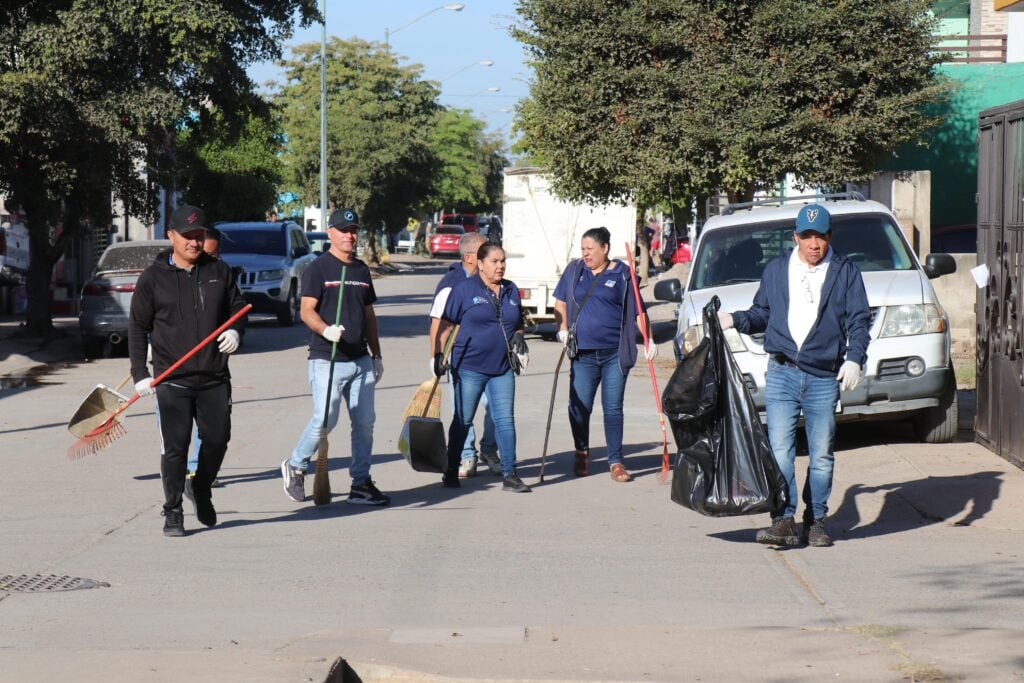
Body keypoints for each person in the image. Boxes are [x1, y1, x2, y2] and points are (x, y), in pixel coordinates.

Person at [719, 204, 870, 547]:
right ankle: (783, 519)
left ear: (829, 237)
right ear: (795, 237)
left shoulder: (845, 271)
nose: (814, 244)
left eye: (820, 236)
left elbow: (859, 320)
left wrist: (855, 359)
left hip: (822, 377)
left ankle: (815, 520)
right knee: (781, 451)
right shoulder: (776, 269)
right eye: (807, 236)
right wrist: (734, 319)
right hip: (782, 372)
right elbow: (761, 313)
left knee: (820, 455)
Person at [129, 204, 247, 537]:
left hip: (213, 376)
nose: (194, 243)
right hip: (172, 380)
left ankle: (201, 487)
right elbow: (137, 327)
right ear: (171, 236)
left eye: (199, 236)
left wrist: (236, 330)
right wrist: (140, 373)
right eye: (187, 236)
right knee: (176, 447)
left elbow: (239, 309)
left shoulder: (219, 272)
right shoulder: (153, 278)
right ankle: (173, 511)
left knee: (217, 440)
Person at [281, 208, 389, 507]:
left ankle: (361, 483)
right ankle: (297, 464)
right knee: (326, 418)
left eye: (353, 230)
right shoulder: (319, 268)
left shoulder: (361, 270)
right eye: (343, 230)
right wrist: (326, 330)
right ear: (330, 233)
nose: (349, 236)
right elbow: (306, 310)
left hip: (360, 359)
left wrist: (376, 355)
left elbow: (369, 315)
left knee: (365, 423)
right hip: (327, 358)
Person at [553, 227, 656, 483]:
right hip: (583, 354)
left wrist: (649, 339)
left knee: (613, 408)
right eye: (583, 249)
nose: (585, 254)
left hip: (614, 354)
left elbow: (638, 312)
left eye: (590, 249)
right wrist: (562, 330)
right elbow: (560, 303)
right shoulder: (575, 271)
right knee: (579, 407)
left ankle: (616, 461)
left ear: (605, 248)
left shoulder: (623, 274)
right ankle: (582, 450)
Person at [434, 243, 531, 493]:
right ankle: (452, 469)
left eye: (503, 261)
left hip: (502, 368)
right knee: (463, 421)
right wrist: (438, 354)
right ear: (480, 263)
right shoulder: (464, 290)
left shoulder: (510, 290)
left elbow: (517, 322)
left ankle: (510, 474)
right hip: (469, 367)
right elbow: (445, 325)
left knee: (505, 421)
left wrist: (519, 335)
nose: (500, 266)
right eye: (495, 261)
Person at [429, 231, 500, 478]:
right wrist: (436, 356)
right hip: (461, 359)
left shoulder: (491, 279)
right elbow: (438, 324)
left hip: (493, 359)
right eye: (484, 250)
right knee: (463, 411)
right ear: (471, 257)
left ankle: (489, 449)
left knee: (495, 408)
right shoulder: (451, 284)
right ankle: (466, 455)